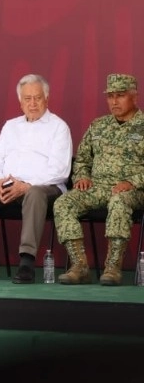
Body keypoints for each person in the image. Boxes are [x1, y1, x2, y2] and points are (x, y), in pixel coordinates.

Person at [0, 74, 72, 284]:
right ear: (20, 101)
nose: (33, 103)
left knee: (35, 193)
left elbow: (60, 170)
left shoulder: (58, 127)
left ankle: (27, 263)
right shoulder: (11, 126)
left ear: (47, 98)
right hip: (8, 185)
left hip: (45, 188)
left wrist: (26, 185)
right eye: (27, 99)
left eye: (37, 98)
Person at [53, 73, 144, 286]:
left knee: (119, 202)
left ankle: (113, 267)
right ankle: (79, 266)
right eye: (110, 96)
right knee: (64, 202)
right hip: (98, 186)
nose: (114, 101)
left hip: (134, 191)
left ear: (134, 97)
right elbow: (83, 158)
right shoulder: (98, 126)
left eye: (120, 96)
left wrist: (133, 182)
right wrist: (82, 176)